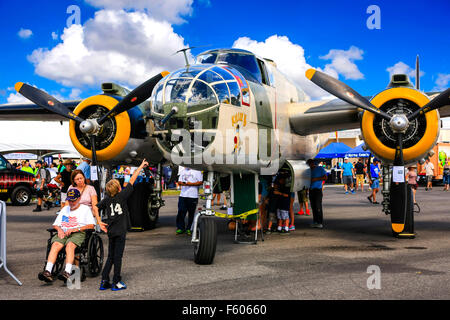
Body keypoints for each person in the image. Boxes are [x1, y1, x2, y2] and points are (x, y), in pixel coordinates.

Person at [97, 159, 148, 291]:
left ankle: (104, 280)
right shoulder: (122, 196)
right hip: (120, 231)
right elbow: (132, 179)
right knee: (118, 257)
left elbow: (96, 207)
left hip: (111, 231)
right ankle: (116, 281)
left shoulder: (107, 199)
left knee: (111, 256)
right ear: (119, 188)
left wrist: (98, 221)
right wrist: (141, 166)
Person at [38, 188, 96, 283]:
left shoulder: (85, 209)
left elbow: (91, 225)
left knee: (70, 246)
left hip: (78, 233)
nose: (71, 202)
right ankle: (48, 271)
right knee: (55, 245)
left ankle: (67, 272)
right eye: (69, 200)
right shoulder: (65, 209)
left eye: (73, 200)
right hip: (64, 232)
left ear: (79, 198)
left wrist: (75, 229)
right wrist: (59, 229)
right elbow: (55, 224)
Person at [176, 167, 203, 235]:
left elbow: (200, 182)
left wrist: (190, 184)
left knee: (191, 213)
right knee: (181, 211)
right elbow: (179, 181)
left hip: (193, 196)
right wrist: (182, 183)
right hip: (183, 195)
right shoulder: (183, 171)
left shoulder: (197, 171)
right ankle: (180, 228)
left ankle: (189, 228)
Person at [307, 159, 327, 228]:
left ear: (313, 163)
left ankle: (320, 222)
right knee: (313, 207)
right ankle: (315, 221)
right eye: (308, 165)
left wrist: (315, 179)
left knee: (318, 206)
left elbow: (325, 177)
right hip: (311, 190)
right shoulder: (308, 170)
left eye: (310, 164)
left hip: (317, 190)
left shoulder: (320, 168)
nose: (309, 166)